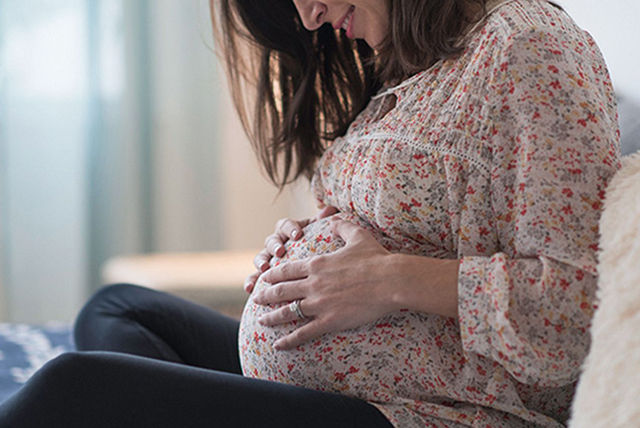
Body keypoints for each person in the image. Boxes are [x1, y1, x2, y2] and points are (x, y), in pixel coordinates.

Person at [0, 0, 620, 426]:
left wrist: (385, 279)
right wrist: (309, 242)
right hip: (348, 384)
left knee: (75, 389)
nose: (306, 14)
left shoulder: (530, 50)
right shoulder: (418, 62)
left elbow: (572, 311)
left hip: (438, 413)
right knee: (119, 309)